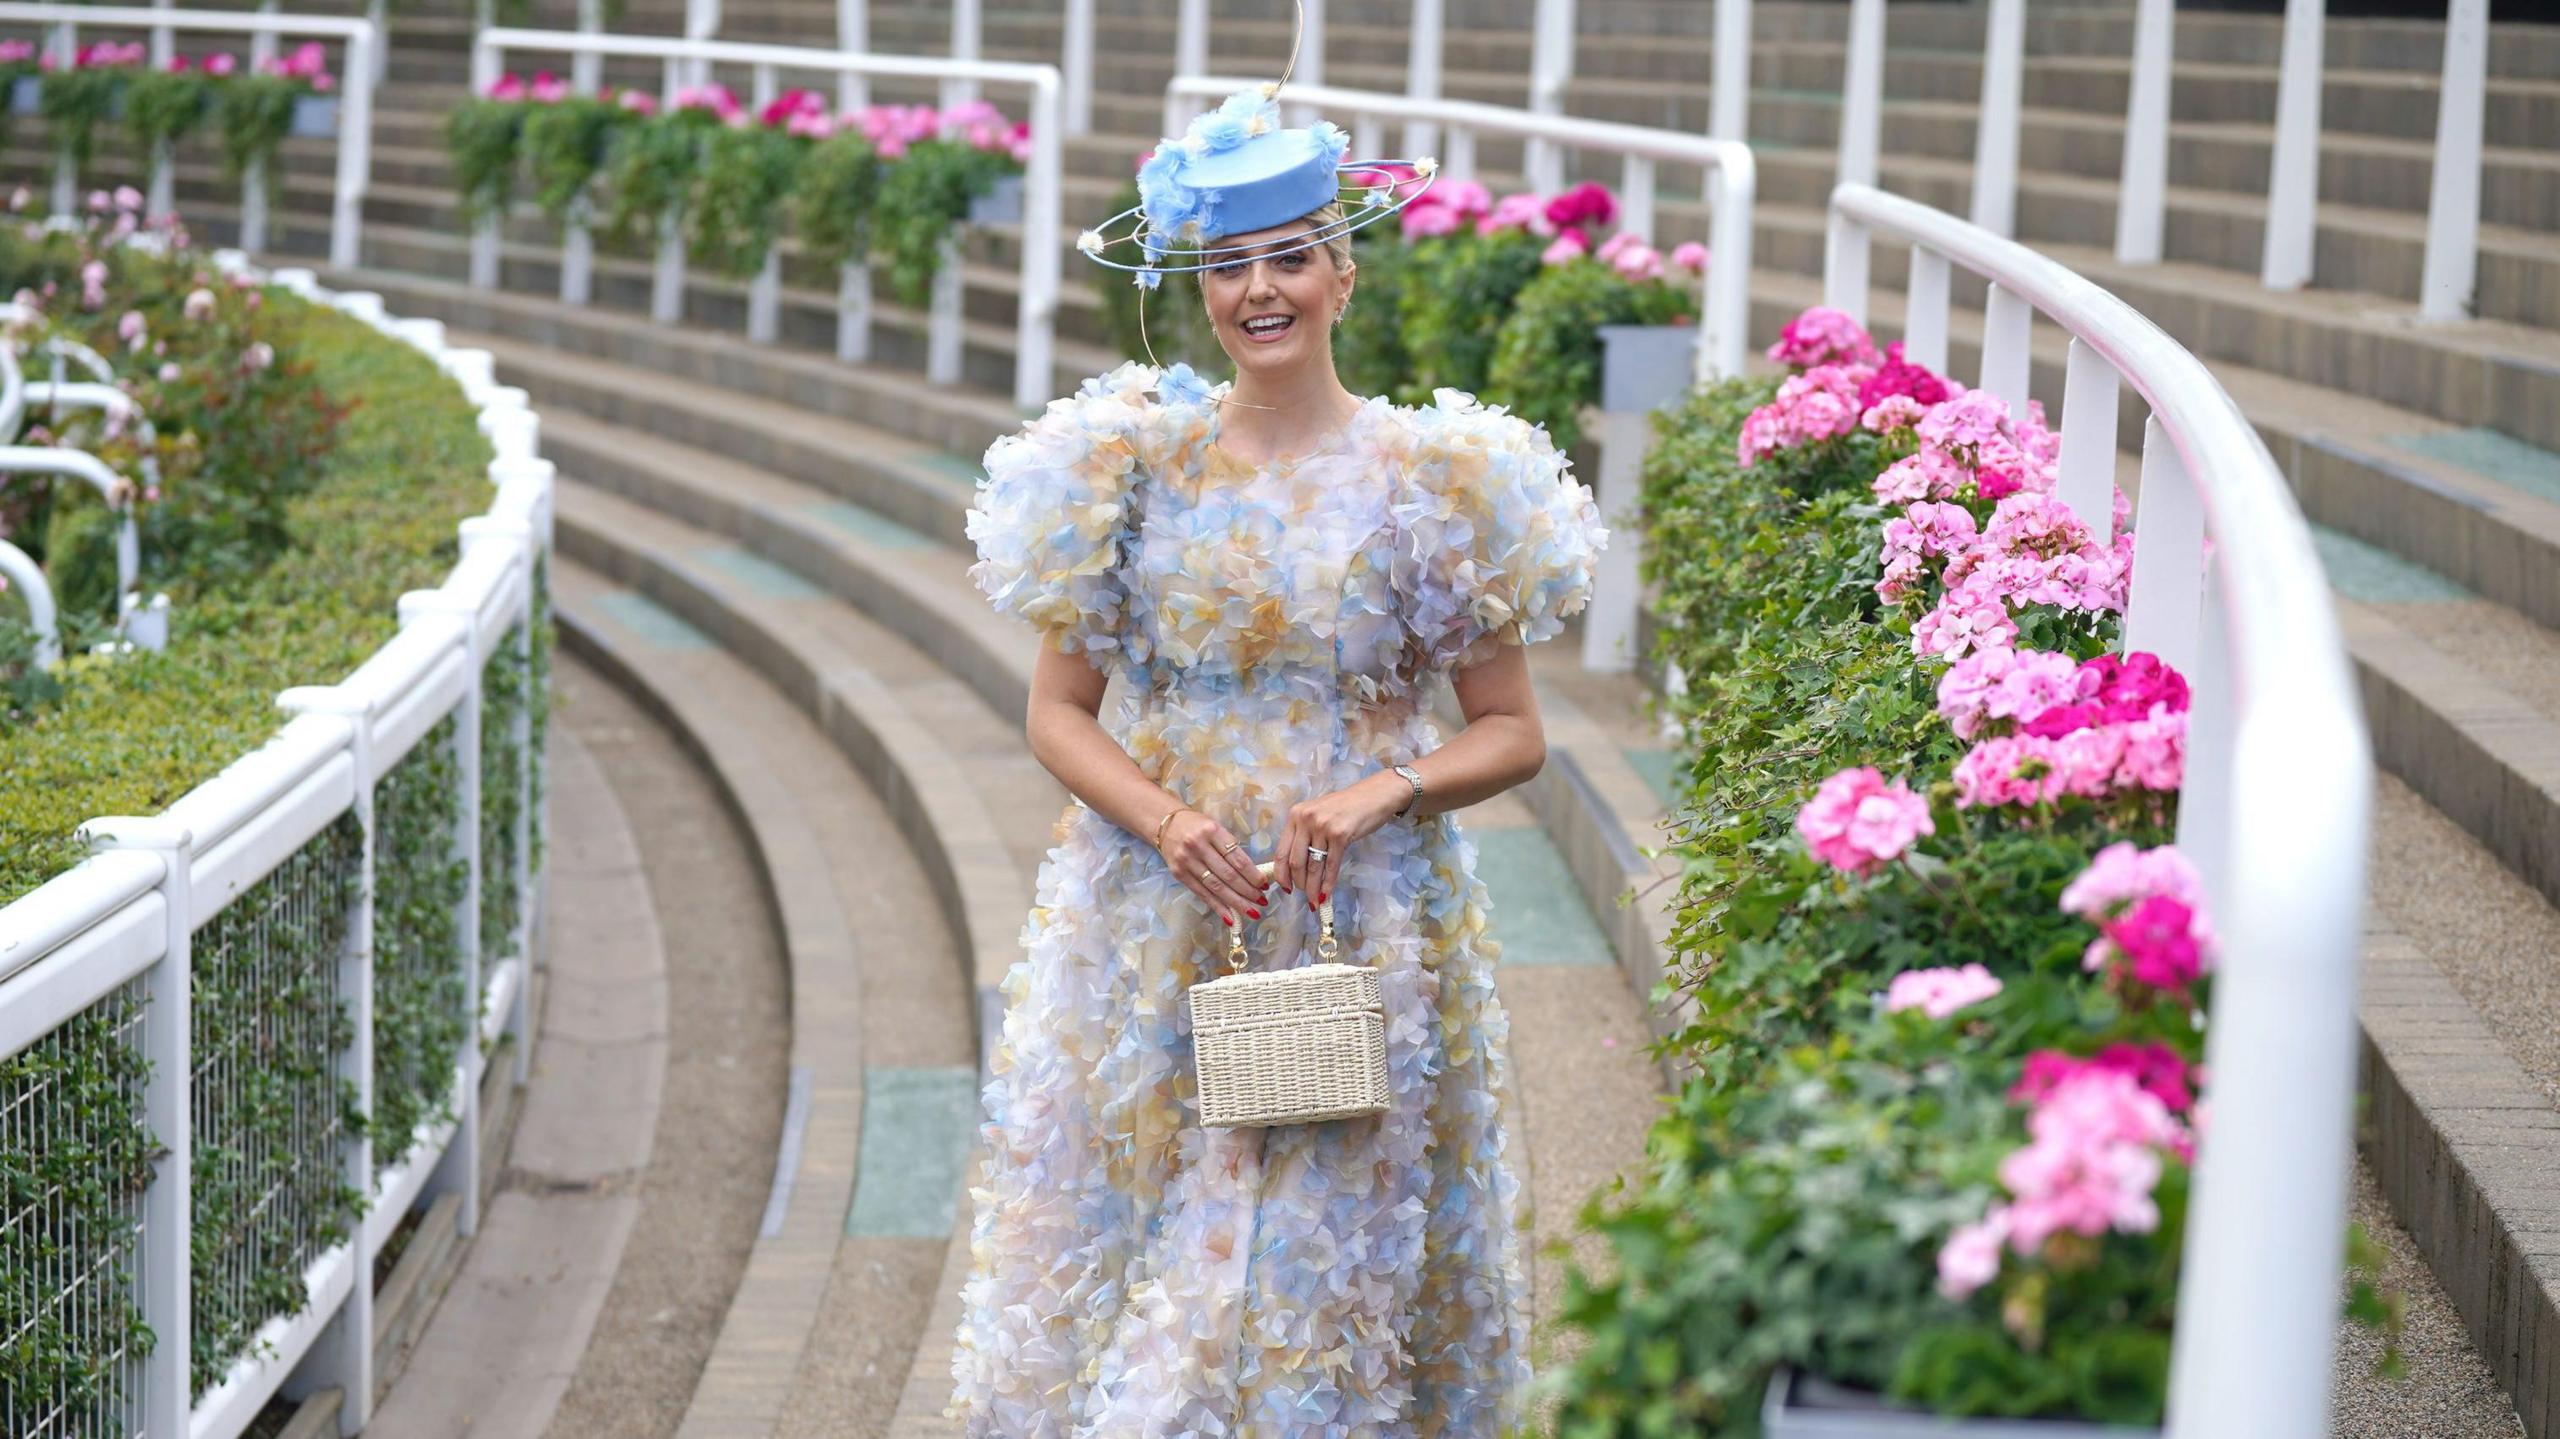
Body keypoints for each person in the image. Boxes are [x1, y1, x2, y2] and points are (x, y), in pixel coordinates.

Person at [946, 83, 1605, 1436]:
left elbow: (1514, 733)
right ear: (1198, 283)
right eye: (1230, 262)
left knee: (1308, 1290)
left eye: (1288, 257)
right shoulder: (1125, 468)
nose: (1259, 290)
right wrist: (1165, 818)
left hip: (1360, 931)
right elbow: (1058, 712)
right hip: (1155, 922)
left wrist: (1386, 788)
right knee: (1145, 1252)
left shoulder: (1439, 478)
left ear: (1342, 272)